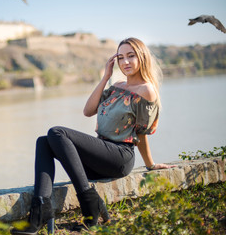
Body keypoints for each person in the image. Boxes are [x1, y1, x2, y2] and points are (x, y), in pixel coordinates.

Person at [11, 37, 176, 235]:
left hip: (119, 157)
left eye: (131, 56)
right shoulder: (117, 86)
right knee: (44, 142)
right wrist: (105, 77)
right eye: (121, 57)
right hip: (100, 155)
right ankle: (39, 212)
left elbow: (141, 133)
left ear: (142, 57)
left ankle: (89, 203)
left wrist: (150, 164)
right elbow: (88, 111)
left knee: (56, 132)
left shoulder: (146, 90)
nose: (125, 62)